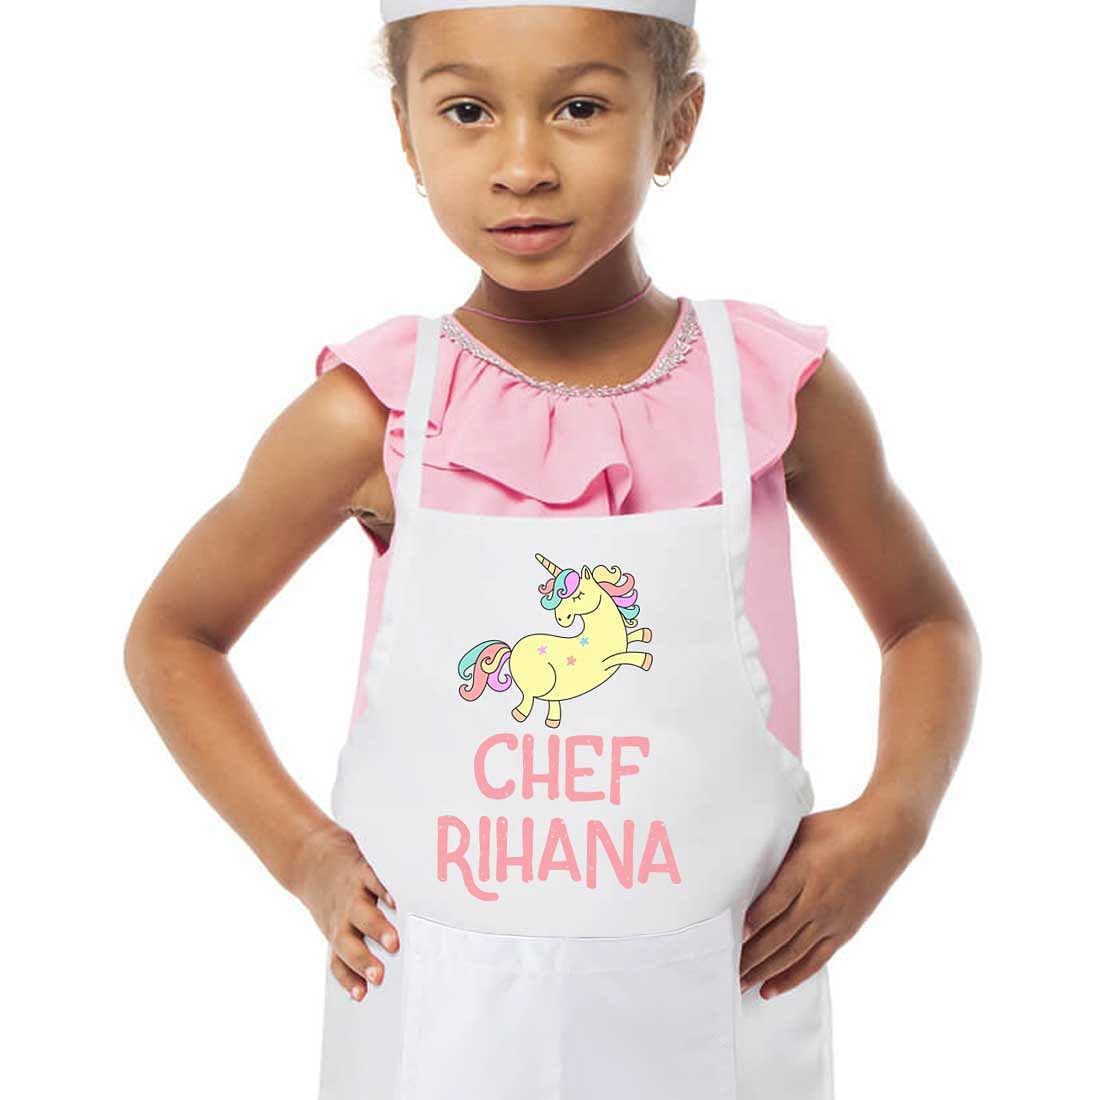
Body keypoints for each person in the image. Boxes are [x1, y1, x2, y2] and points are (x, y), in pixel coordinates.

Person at [123, 2, 982, 1097]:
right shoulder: (378, 411)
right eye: (466, 111)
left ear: (675, 123)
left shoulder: (769, 393)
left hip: (714, 1021)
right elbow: (174, 634)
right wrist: (304, 853)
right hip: (440, 1029)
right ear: (405, 131)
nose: (521, 166)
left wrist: (895, 817)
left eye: (579, 107)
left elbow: (926, 623)